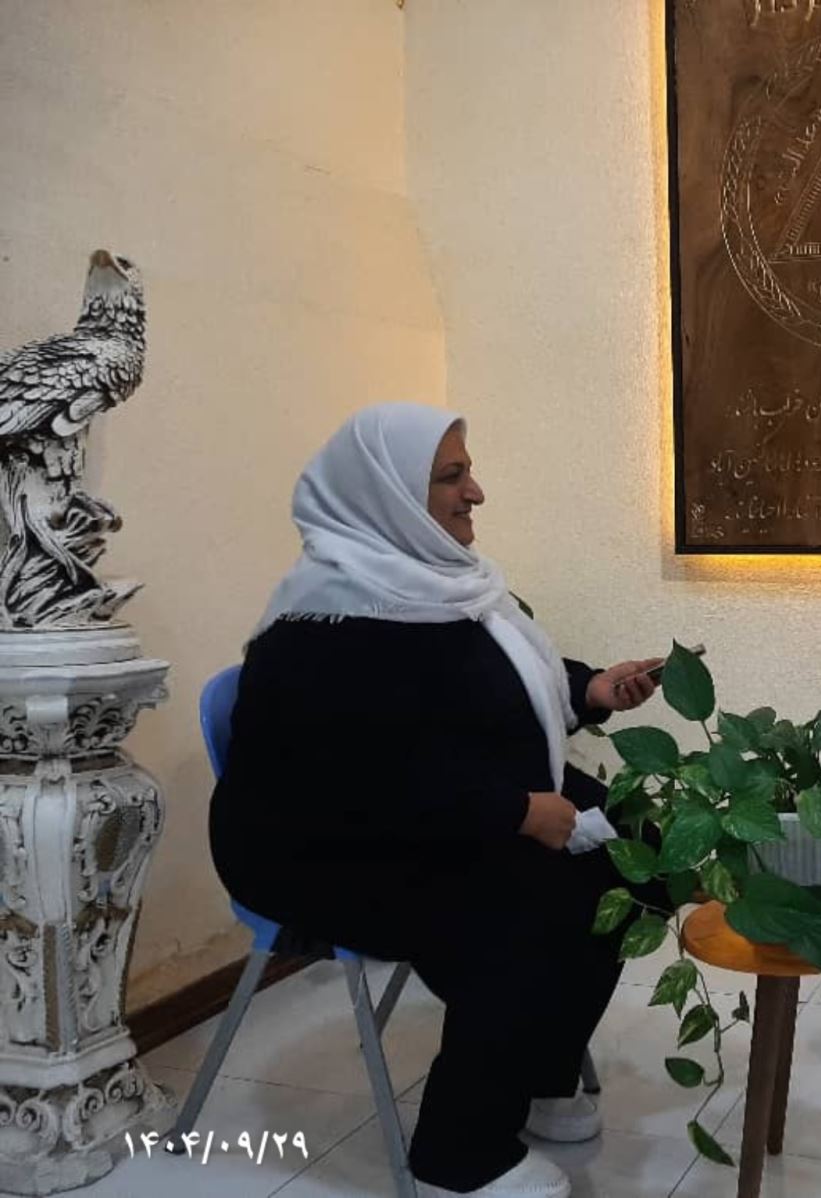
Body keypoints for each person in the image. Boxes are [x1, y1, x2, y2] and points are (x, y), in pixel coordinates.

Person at [210, 403, 664, 1198]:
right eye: (451, 477)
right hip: (325, 850)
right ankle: (459, 1152)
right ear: (385, 495)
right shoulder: (321, 629)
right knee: (530, 899)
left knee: (637, 849)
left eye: (468, 471)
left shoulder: (443, 584)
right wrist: (517, 814)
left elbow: (497, 686)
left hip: (439, 804)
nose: (476, 492)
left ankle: (540, 1068)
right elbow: (358, 784)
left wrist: (591, 689)